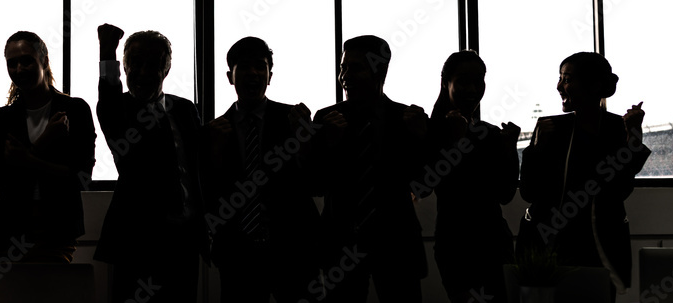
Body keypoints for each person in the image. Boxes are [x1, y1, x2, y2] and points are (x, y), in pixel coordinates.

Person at [517, 52, 649, 297]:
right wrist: (536, 150)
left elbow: (619, 191)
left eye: (566, 79)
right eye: (560, 78)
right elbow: (529, 192)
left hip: (598, 249)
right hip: (549, 248)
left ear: (595, 86)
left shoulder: (617, 128)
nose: (559, 86)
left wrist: (634, 138)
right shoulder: (550, 129)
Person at [93, 23, 205, 303]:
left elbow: (198, 167)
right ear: (124, 68)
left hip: (184, 242)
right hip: (137, 241)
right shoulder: (118, 109)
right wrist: (107, 52)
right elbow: (108, 94)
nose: (143, 72)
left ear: (166, 69)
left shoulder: (185, 109)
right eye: (135, 64)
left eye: (153, 64)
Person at [202, 36, 320, 302]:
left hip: (293, 249)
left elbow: (314, 182)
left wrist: (305, 143)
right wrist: (216, 154)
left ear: (270, 75)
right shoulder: (213, 131)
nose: (253, 73)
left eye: (260, 66)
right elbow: (208, 197)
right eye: (243, 66)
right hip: (237, 253)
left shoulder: (294, 120)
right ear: (230, 76)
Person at [311, 35, 428, 302]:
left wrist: (420, 140)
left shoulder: (406, 119)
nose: (345, 76)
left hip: (396, 244)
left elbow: (425, 185)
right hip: (341, 245)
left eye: (355, 67)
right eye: (343, 67)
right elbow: (315, 184)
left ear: (380, 70)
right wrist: (328, 144)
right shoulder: (326, 119)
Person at [418, 50, 519, 303]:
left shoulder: (490, 133)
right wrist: (456, 142)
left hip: (496, 243)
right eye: (463, 80)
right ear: (445, 83)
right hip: (457, 246)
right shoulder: (431, 131)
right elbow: (423, 186)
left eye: (479, 80)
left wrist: (509, 150)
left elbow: (505, 194)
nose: (473, 88)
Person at [0, 31, 96, 264]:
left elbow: (82, 178)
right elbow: (3, 180)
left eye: (27, 60)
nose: (18, 69)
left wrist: (26, 159)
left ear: (44, 61)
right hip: (9, 231)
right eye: (12, 63)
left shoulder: (75, 110)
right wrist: (44, 142)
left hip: (57, 230)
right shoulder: (4, 118)